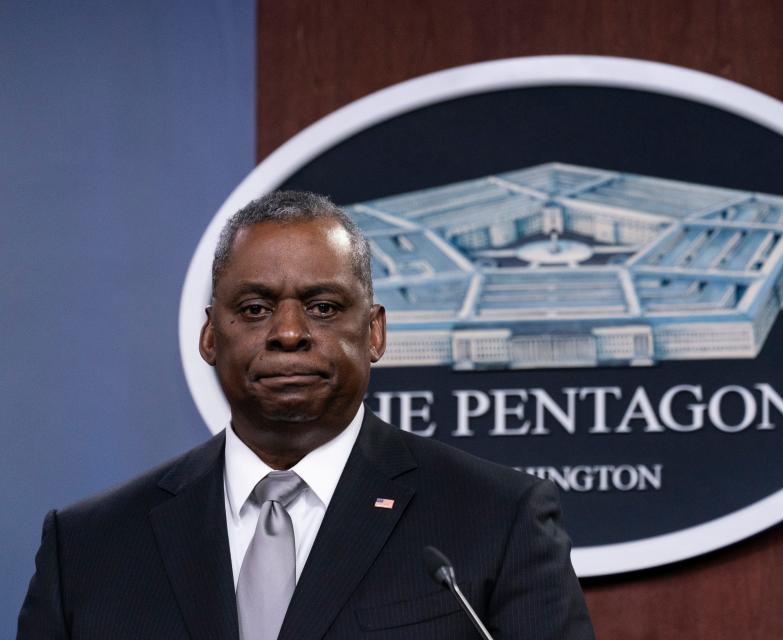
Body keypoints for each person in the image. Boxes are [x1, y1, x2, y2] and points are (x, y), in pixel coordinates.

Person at [18, 191, 595, 639]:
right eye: (254, 308)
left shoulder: (497, 521)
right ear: (209, 337)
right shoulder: (89, 549)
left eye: (322, 308)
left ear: (374, 332)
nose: (289, 333)